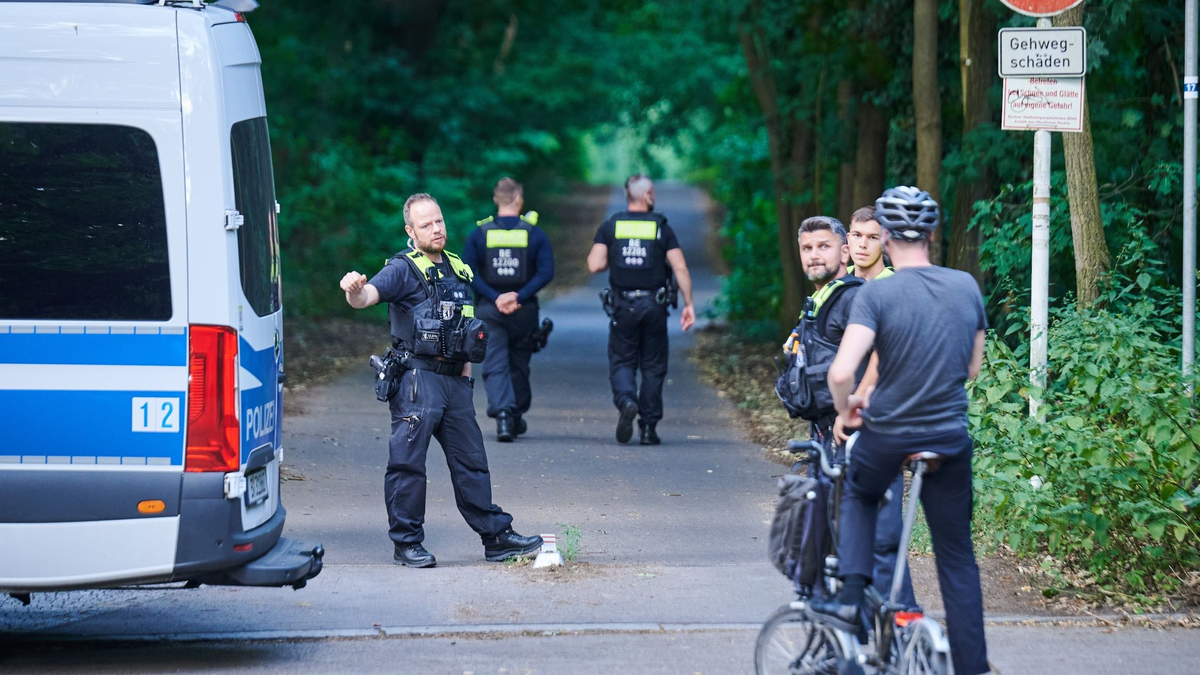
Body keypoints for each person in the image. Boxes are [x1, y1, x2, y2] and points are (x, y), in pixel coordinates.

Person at [811, 186, 990, 675]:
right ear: (933, 234)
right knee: (957, 558)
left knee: (858, 492)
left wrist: (848, 413)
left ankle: (850, 598)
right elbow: (972, 369)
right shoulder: (966, 286)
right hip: (949, 438)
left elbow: (841, 373)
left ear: (885, 237)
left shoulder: (877, 293)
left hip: (890, 434)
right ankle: (973, 667)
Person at [338, 193, 543, 568]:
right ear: (410, 231)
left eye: (439, 221)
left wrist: (465, 381)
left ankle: (496, 537)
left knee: (472, 463)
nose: (436, 229)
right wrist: (354, 289)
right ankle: (407, 543)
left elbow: (464, 330)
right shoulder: (402, 269)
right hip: (418, 381)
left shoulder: (458, 268)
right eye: (426, 224)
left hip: (454, 383)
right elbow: (367, 296)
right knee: (408, 465)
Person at [787, 216, 917, 608]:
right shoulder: (827, 297)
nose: (814, 255)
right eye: (807, 248)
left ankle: (901, 622)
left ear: (843, 252)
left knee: (875, 539)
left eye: (823, 247)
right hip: (827, 436)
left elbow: (886, 352)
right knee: (842, 540)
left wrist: (852, 407)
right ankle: (847, 634)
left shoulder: (856, 295)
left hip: (859, 434)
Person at [587, 174, 695, 445]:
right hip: (654, 306)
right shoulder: (661, 227)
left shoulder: (612, 226)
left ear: (627, 196)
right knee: (653, 366)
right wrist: (689, 304)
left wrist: (617, 257)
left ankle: (626, 401)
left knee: (622, 360)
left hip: (623, 306)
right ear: (648, 196)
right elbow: (680, 267)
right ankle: (648, 428)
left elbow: (594, 265)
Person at [462, 177, 555, 442]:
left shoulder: (480, 234)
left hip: (490, 310)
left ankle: (503, 415)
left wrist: (495, 296)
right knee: (519, 364)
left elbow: (467, 271)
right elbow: (547, 271)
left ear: (495, 200)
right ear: (519, 200)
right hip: (524, 311)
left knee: (494, 363)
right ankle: (514, 415)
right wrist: (519, 295)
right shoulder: (534, 233)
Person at [845, 206, 894, 281]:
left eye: (873, 237)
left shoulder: (897, 284)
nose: (863, 244)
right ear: (848, 239)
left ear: (885, 242)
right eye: (857, 235)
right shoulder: (837, 280)